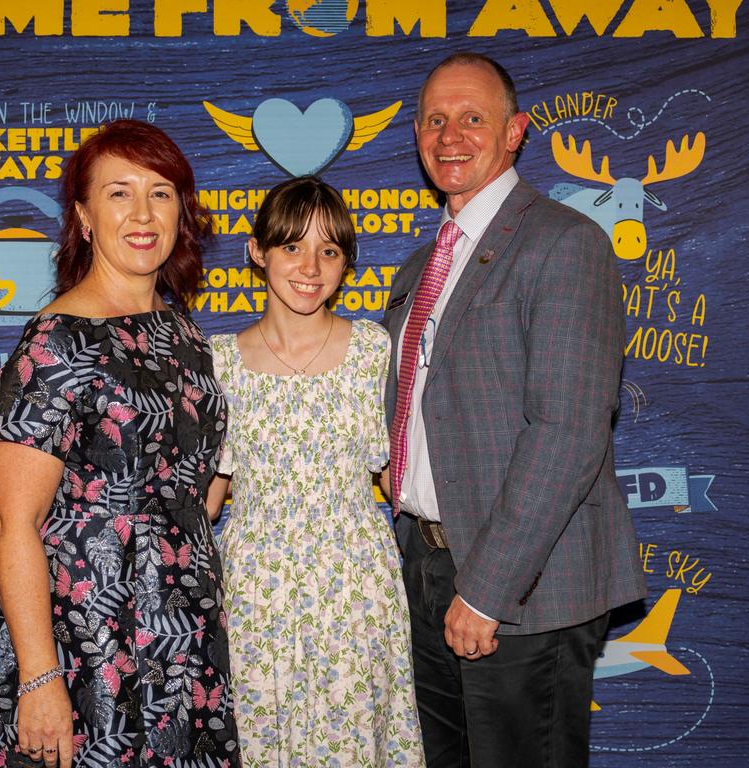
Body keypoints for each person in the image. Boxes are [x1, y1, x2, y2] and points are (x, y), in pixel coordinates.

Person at [0, 120, 240, 768]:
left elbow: (197, 502)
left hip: (179, 635)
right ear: (84, 217)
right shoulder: (57, 342)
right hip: (83, 633)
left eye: (161, 192)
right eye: (119, 194)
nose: (142, 214)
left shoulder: (188, 338)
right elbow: (15, 520)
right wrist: (40, 678)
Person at [382, 53, 647, 768]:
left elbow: (567, 431)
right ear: (416, 135)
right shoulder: (419, 269)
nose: (450, 135)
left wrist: (488, 590)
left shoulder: (564, 243)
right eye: (435, 120)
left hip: (523, 585)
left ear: (514, 132)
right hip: (427, 566)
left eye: (473, 117)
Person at [206, 177, 425, 767]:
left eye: (329, 250)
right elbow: (207, 498)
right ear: (258, 252)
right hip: (255, 589)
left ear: (346, 262)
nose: (310, 266)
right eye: (292, 246)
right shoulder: (217, 361)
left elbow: (397, 476)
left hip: (354, 587)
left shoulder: (373, 352)